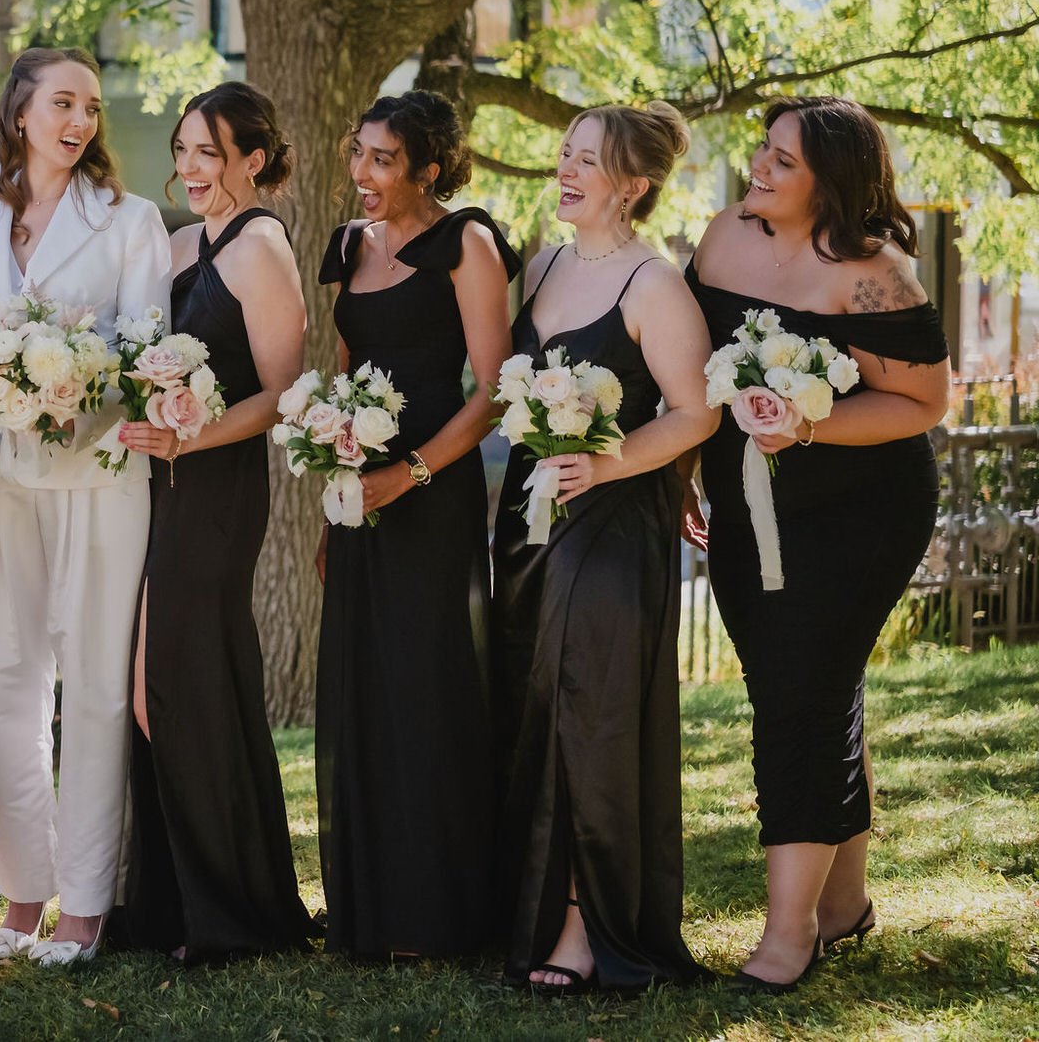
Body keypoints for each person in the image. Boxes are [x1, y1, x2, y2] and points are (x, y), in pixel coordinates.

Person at [686, 97, 951, 992]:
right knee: (803, 686)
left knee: (800, 698)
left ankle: (788, 934)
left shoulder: (876, 275)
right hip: (743, 504)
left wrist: (807, 422)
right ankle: (844, 907)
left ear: (830, 183)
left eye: (784, 160)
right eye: (763, 149)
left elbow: (922, 405)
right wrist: (684, 467)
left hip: (861, 513)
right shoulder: (725, 235)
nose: (759, 166)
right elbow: (690, 365)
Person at [0, 46, 172, 965]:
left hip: (99, 474)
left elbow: (146, 345)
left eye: (89, 106)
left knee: (89, 682)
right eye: (63, 103)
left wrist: (76, 390)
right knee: (6, 673)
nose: (80, 120)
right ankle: (22, 893)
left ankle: (85, 904)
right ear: (21, 111)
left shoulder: (131, 219)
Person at [491, 102, 715, 994]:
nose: (566, 167)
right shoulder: (543, 263)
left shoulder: (653, 286)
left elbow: (695, 410)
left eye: (588, 159)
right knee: (533, 707)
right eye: (565, 152)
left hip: (613, 523)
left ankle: (589, 927)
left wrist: (609, 459)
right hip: (528, 518)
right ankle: (529, 908)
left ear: (634, 183)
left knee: (590, 717)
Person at [314, 90, 519, 961]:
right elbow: (348, 372)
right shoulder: (346, 246)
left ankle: (442, 911)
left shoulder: (466, 243)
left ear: (427, 168)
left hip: (432, 492)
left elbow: (495, 385)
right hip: (360, 497)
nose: (362, 174)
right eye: (357, 154)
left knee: (430, 687)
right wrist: (340, 493)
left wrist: (414, 473)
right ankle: (369, 906)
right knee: (361, 687)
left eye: (383, 160)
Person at [110, 82, 312, 962]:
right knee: (159, 689)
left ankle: (230, 915)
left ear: (253, 160)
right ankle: (174, 906)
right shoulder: (184, 240)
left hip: (217, 485)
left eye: (207, 152)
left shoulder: (261, 247)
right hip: (159, 483)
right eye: (182, 150)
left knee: (175, 687)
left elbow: (282, 394)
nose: (187, 167)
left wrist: (190, 437)